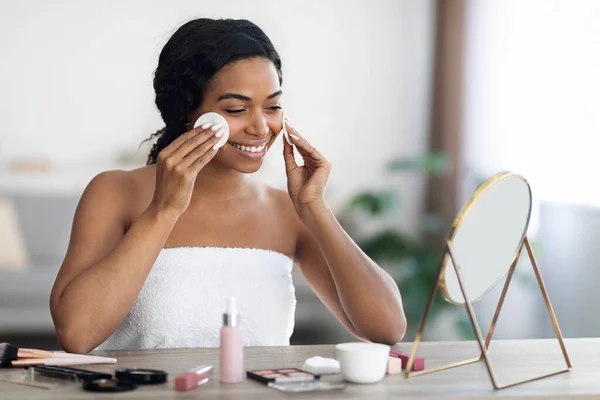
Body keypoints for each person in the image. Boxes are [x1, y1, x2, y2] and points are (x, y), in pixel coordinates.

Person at [49, 18, 406, 353]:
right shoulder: (115, 193)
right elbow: (77, 334)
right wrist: (164, 210)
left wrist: (316, 210)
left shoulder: (289, 211)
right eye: (236, 109)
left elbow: (387, 329)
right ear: (186, 111)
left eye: (273, 106)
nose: (261, 128)